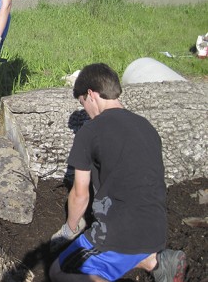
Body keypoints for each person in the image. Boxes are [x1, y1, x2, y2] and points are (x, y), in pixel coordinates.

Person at [49, 63, 187, 282]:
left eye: (83, 103)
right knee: (124, 248)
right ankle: (154, 261)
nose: (86, 111)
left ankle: (131, 257)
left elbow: (80, 194)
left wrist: (69, 229)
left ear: (91, 95)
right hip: (156, 230)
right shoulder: (146, 127)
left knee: (60, 271)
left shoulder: (90, 131)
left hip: (117, 233)